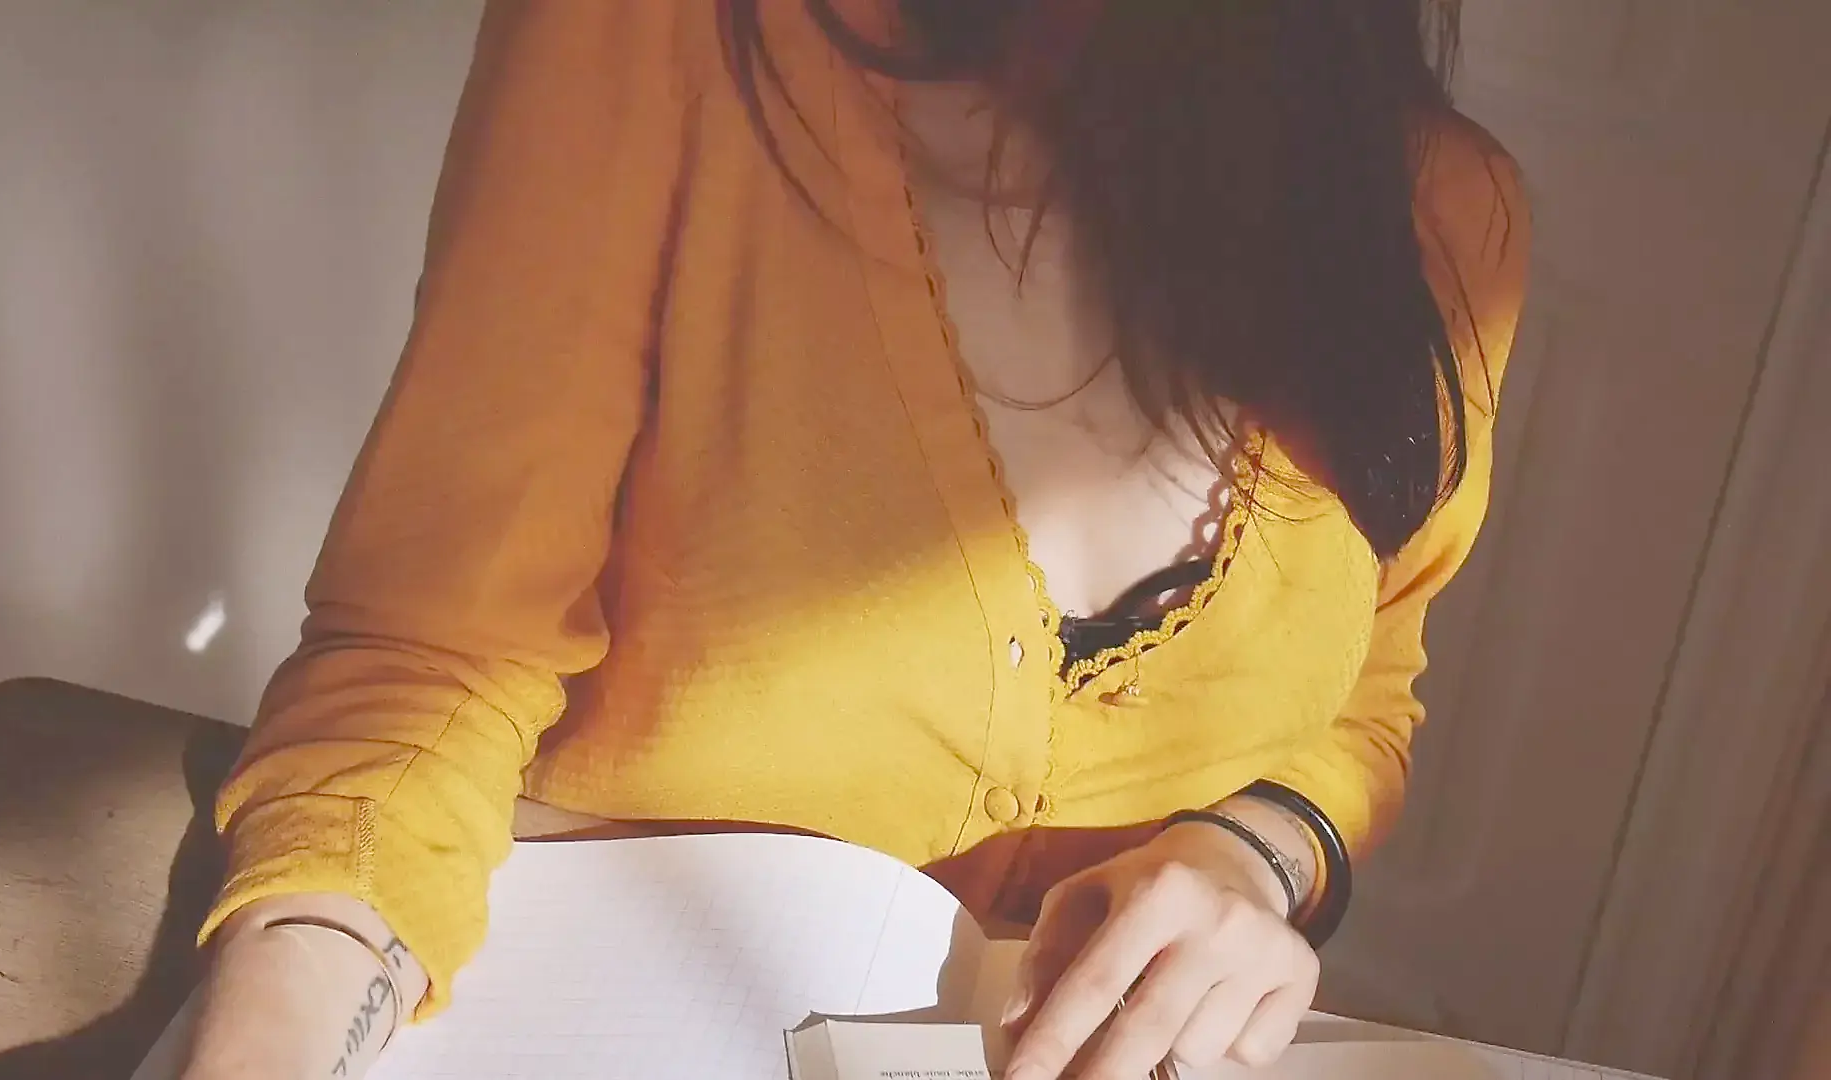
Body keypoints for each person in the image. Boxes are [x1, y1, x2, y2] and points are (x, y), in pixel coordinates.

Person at [180, 1, 1528, 1077]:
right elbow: (429, 673)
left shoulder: (1447, 220)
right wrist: (269, 1040)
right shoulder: (664, 41)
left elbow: (1366, 703)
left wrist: (1247, 857)